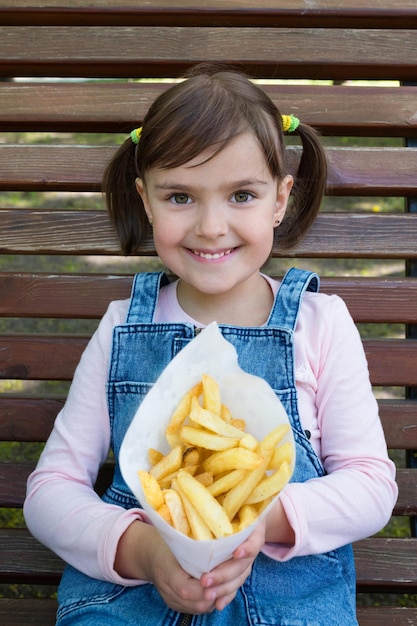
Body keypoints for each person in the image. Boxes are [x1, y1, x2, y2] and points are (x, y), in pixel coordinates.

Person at [24, 64, 397, 625]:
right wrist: (143, 552)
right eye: (180, 197)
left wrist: (260, 521)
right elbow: (51, 489)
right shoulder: (122, 326)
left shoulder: (319, 323)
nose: (211, 226)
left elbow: (370, 484)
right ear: (145, 201)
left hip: (285, 602)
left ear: (280, 199)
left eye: (242, 195)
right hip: (134, 598)